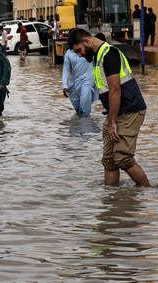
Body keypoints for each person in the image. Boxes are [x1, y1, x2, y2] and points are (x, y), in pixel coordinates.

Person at [67, 28, 150, 187]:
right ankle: (111, 201)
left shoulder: (109, 54)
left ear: (86, 41)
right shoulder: (97, 57)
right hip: (117, 112)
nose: (79, 55)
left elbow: (115, 90)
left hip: (130, 110)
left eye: (79, 50)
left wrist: (112, 123)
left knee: (123, 159)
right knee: (109, 161)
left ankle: (149, 195)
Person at [62, 48, 98, 117]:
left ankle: (85, 126)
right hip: (74, 84)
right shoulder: (69, 53)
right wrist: (65, 85)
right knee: (78, 109)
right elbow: (66, 70)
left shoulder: (88, 49)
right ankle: (79, 126)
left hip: (88, 82)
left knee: (84, 110)